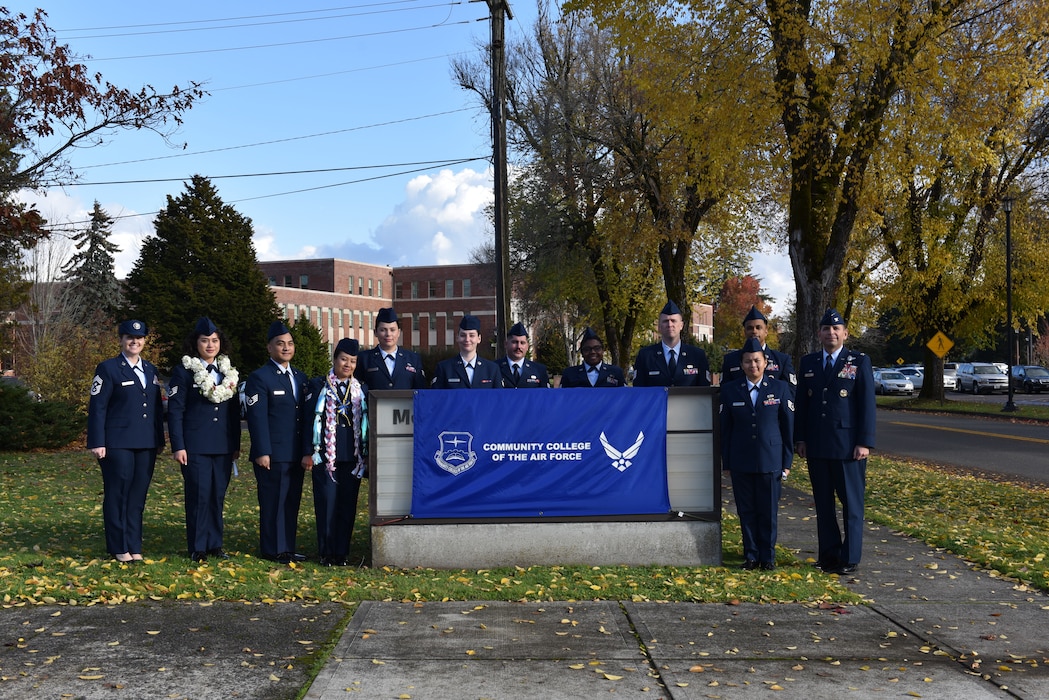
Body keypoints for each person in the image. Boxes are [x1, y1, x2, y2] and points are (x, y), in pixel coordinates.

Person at [794, 308, 876, 576]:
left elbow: (867, 405)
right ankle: (828, 556)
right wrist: (801, 438)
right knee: (824, 505)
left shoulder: (859, 361)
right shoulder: (809, 363)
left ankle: (850, 558)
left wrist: (864, 442)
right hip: (817, 445)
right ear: (819, 333)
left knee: (851, 504)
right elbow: (803, 405)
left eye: (836, 329)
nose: (831, 333)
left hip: (848, 447)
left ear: (845, 333)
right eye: (826, 329)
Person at [87, 319, 165, 564]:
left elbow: (155, 409)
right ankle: (118, 546)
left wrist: (159, 439)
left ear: (144, 341)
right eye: (130, 337)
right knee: (118, 493)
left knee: (137, 496)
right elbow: (98, 407)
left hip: (146, 443)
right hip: (117, 442)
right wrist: (97, 442)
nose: (135, 341)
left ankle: (134, 545)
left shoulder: (151, 370)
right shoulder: (108, 368)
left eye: (139, 338)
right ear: (121, 340)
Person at [167, 317, 241, 563]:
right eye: (205, 340)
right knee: (199, 494)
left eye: (215, 340)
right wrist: (178, 446)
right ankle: (197, 546)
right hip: (195, 446)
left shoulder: (227, 371)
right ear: (195, 343)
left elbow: (233, 413)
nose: (210, 345)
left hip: (222, 445)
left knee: (217, 495)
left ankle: (214, 544)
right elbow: (175, 411)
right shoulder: (184, 372)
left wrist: (235, 445)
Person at [720, 337, 795, 571]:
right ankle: (751, 555)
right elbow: (726, 428)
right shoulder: (730, 390)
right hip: (741, 460)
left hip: (770, 459)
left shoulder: (779, 388)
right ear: (741, 365)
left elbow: (788, 427)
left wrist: (787, 461)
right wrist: (727, 461)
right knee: (746, 511)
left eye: (757, 361)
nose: (753, 366)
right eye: (748, 362)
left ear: (765, 363)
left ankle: (768, 557)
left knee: (768, 511)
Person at [245, 321, 308, 564]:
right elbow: (256, 418)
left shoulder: (300, 377)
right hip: (272, 452)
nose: (286, 348)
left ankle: (288, 548)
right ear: (269, 348)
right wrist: (262, 450)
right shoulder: (259, 378)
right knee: (273, 502)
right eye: (280, 344)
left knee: (291, 501)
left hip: (294, 452)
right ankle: (273, 549)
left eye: (290, 344)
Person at [302, 338, 367, 567]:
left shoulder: (360, 389)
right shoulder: (318, 385)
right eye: (343, 359)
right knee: (326, 503)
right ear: (334, 359)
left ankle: (342, 553)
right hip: (324, 457)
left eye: (352, 361)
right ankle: (326, 552)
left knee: (347, 505)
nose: (347, 365)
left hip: (351, 456)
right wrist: (307, 452)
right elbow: (308, 421)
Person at [632, 300, 711, 387]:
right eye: (665, 321)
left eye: (673, 321)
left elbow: (704, 391)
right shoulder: (646, 356)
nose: (670, 324)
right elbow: (639, 390)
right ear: (659, 327)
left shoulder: (697, 355)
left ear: (681, 325)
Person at [721, 305, 796, 390]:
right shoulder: (731, 360)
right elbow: (724, 391)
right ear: (744, 332)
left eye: (758, 327)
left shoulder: (782, 360)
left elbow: (791, 391)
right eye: (750, 328)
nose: (754, 331)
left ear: (766, 331)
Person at [355, 307, 427, 391]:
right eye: (383, 330)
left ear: (399, 332)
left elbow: (421, 390)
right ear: (375, 332)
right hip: (373, 404)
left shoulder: (413, 359)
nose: (388, 334)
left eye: (392, 330)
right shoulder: (364, 359)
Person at [431, 315, 502, 389]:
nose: (467, 339)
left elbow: (499, 398)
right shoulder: (444, 368)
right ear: (457, 338)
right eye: (463, 335)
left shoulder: (492, 369)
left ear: (479, 338)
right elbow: (437, 398)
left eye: (472, 335)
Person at [559, 327, 627, 388]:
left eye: (597, 348)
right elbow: (561, 398)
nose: (592, 352)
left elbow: (625, 396)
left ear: (602, 350)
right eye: (587, 349)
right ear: (582, 353)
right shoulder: (570, 374)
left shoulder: (616, 372)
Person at [498, 322, 550, 388]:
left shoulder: (539, 370)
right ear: (506, 344)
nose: (518, 347)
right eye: (514, 342)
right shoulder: (494, 369)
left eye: (522, 343)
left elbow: (546, 396)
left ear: (527, 346)